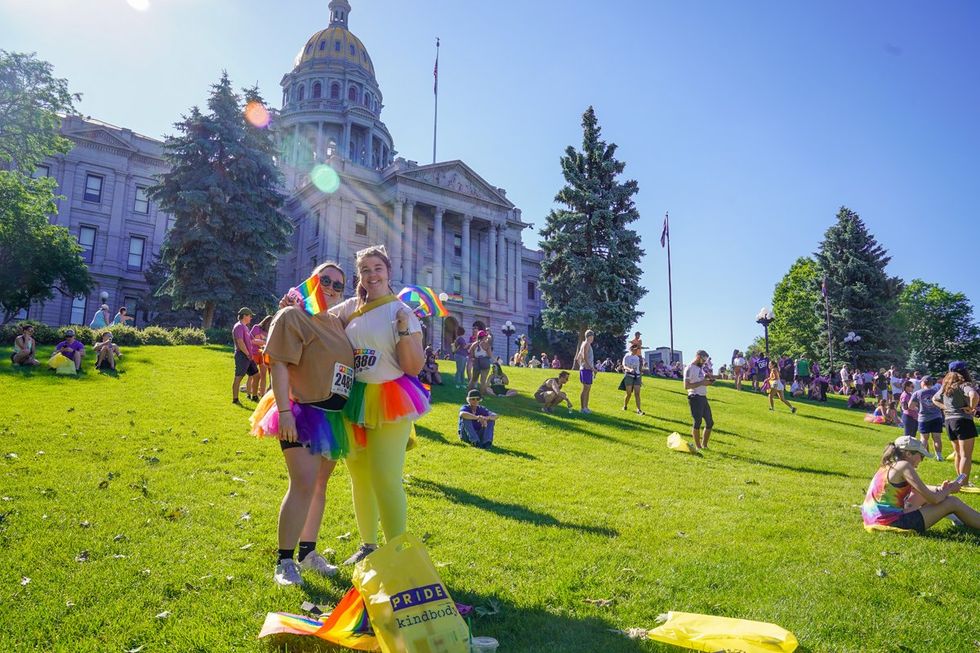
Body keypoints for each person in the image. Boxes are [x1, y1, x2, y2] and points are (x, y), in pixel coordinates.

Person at [249, 261, 356, 586]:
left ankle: (308, 553)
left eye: (339, 285)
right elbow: (279, 365)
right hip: (301, 411)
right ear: (311, 280)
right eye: (325, 280)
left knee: (320, 486)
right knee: (303, 484)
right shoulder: (292, 315)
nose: (332, 288)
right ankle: (285, 561)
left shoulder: (336, 322)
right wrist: (283, 413)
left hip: (333, 416)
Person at [332, 246, 427, 566]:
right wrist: (293, 304)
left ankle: (397, 551)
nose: (372, 275)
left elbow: (413, 367)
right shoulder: (350, 308)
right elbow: (318, 318)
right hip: (354, 397)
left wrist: (402, 328)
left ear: (388, 271)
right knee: (359, 476)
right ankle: (368, 545)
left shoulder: (401, 311)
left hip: (391, 398)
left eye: (377, 268)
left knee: (386, 476)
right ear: (359, 276)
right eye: (365, 270)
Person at [861, 435, 979, 532]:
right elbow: (934, 499)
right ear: (908, 454)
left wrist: (941, 489)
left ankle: (960, 520)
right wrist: (949, 490)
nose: (921, 460)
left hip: (874, 519)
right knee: (952, 502)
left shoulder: (889, 466)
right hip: (892, 522)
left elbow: (921, 490)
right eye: (921, 456)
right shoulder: (904, 466)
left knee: (924, 495)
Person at [932, 362, 977, 488]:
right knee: (966, 455)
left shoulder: (946, 386)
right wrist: (971, 408)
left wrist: (945, 407)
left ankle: (959, 481)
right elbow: (974, 395)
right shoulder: (964, 384)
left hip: (949, 421)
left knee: (957, 453)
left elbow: (934, 399)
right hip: (963, 421)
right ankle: (964, 482)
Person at [684, 350, 715, 450]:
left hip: (703, 396)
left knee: (710, 422)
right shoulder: (689, 368)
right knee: (697, 422)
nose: (704, 362)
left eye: (705, 361)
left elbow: (700, 379)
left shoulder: (699, 368)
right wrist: (702, 383)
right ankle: (698, 447)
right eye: (703, 360)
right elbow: (686, 386)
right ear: (697, 357)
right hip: (694, 396)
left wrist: (709, 379)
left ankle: (704, 445)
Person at [911, 375, 944, 462]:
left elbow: (910, 406)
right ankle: (939, 456)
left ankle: (921, 456)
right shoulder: (937, 392)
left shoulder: (917, 393)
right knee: (937, 438)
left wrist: (918, 408)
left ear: (922, 383)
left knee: (924, 438)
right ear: (931, 383)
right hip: (936, 417)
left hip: (923, 418)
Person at [232, 308, 258, 405]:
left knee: (256, 375)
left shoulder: (246, 327)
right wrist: (247, 353)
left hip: (248, 356)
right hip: (242, 355)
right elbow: (240, 342)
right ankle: (235, 399)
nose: (251, 318)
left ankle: (254, 396)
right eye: (250, 316)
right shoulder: (238, 326)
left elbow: (252, 340)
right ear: (245, 316)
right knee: (239, 377)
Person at [249, 315, 273, 400]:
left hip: (263, 354)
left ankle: (262, 394)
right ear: (266, 322)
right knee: (253, 374)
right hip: (254, 353)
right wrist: (263, 342)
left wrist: (260, 342)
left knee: (263, 375)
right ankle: (251, 392)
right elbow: (250, 339)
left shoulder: (270, 331)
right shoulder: (256, 328)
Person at [576, 329, 596, 414]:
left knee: (588, 389)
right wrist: (592, 368)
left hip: (586, 369)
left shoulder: (584, 344)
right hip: (586, 369)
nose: (592, 338)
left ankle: (586, 407)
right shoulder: (586, 344)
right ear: (589, 336)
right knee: (586, 389)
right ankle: (583, 408)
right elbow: (584, 357)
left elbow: (577, 358)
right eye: (591, 336)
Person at [621, 344, 644, 414]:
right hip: (628, 376)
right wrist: (629, 369)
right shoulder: (627, 356)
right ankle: (625, 406)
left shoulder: (637, 358)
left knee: (637, 393)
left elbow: (638, 369)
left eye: (637, 349)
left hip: (637, 376)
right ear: (631, 349)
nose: (636, 351)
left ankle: (639, 409)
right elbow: (624, 365)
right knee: (629, 394)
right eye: (635, 349)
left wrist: (640, 377)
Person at [468, 330, 493, 395]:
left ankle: (469, 393)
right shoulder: (486, 344)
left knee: (473, 379)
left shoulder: (473, 345)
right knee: (483, 380)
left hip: (476, 361)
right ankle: (481, 394)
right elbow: (490, 355)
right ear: (484, 337)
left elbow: (471, 355)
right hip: (485, 361)